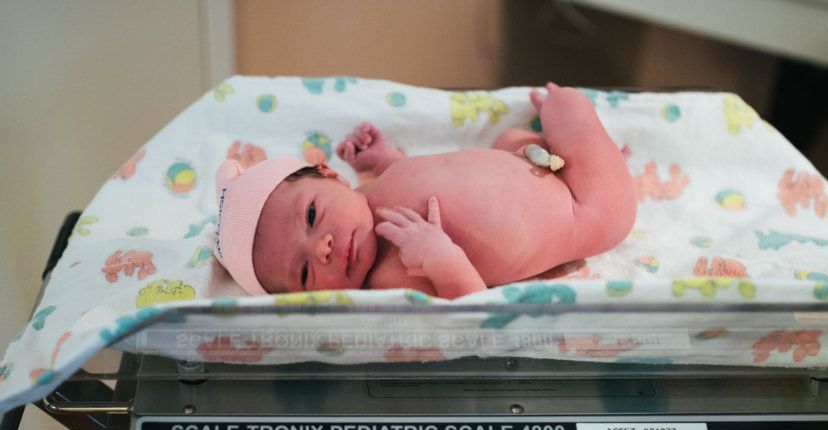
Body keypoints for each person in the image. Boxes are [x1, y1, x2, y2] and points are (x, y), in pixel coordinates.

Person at [213, 83, 635, 300]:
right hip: (583, 210)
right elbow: (471, 310)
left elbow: (414, 177)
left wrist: (381, 159)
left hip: (523, 160)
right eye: (304, 272)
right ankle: (598, 158)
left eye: (310, 217)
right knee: (569, 107)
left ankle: (588, 155)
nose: (321, 248)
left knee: (510, 137)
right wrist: (442, 259)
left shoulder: (373, 192)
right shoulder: (391, 280)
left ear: (332, 174)